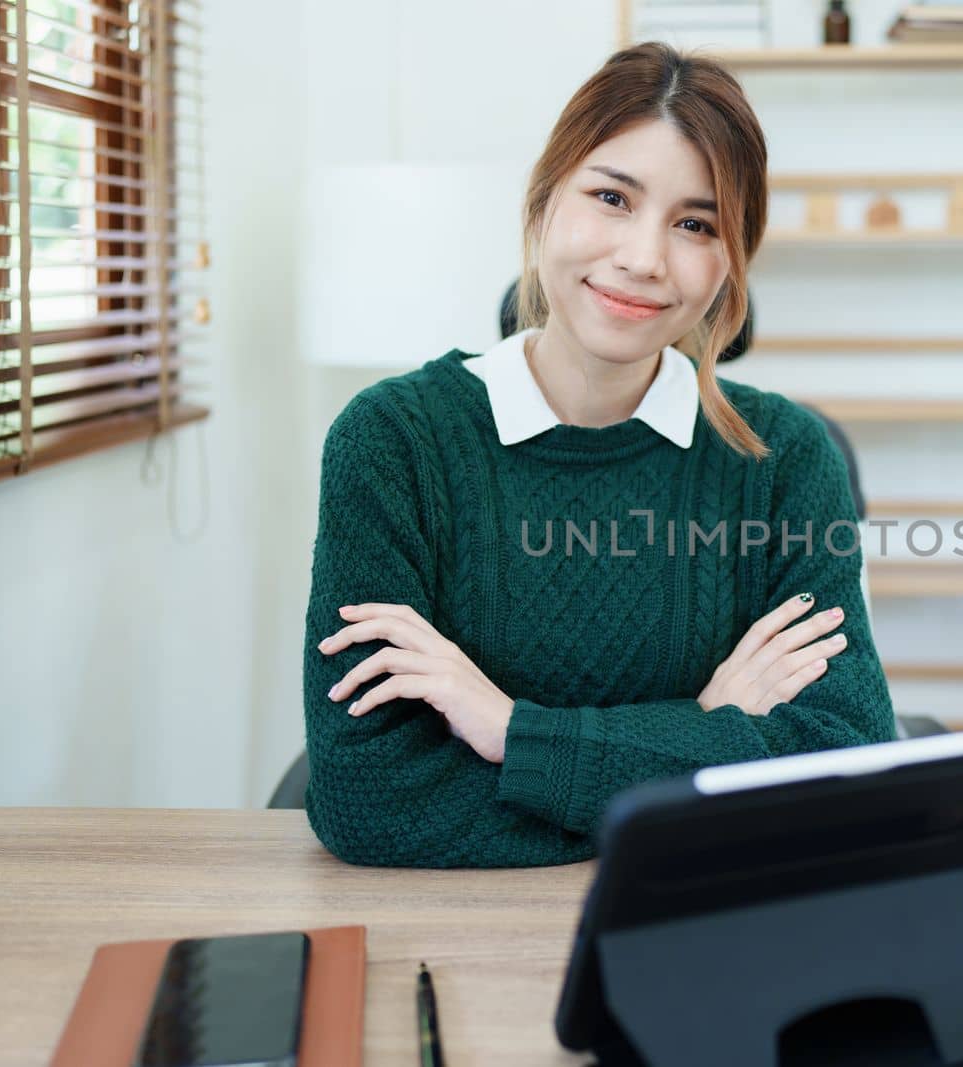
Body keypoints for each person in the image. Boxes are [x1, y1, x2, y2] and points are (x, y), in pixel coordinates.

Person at [302, 42, 895, 868]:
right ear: (545, 201)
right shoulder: (393, 443)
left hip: (707, 925)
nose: (644, 258)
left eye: (695, 223)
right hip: (463, 937)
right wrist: (707, 731)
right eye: (612, 197)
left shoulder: (784, 459)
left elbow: (841, 764)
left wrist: (513, 732)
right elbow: (370, 797)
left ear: (730, 263)